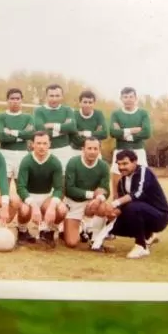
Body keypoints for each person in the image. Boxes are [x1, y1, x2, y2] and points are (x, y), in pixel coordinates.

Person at [92, 149, 168, 259]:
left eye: (125, 163)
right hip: (141, 213)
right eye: (119, 164)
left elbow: (137, 194)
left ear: (135, 162)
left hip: (159, 217)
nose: (121, 167)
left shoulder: (144, 172)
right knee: (115, 227)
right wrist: (112, 213)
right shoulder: (122, 182)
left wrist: (114, 204)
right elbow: (122, 206)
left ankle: (141, 247)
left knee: (133, 207)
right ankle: (148, 235)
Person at [14, 131, 66, 247]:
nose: (41, 147)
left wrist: (52, 207)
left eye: (44, 143)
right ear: (32, 144)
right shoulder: (26, 161)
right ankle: (22, 231)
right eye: (38, 143)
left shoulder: (55, 162)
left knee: (62, 209)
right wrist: (33, 205)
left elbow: (59, 188)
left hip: (46, 196)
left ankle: (48, 231)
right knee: (24, 210)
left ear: (49, 144)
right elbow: (21, 187)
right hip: (29, 196)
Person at [70, 89, 108, 242]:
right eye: (84, 102)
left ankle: (95, 227)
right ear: (80, 103)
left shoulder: (98, 115)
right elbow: (72, 134)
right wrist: (91, 135)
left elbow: (104, 133)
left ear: (94, 103)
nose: (87, 104)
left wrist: (84, 135)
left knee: (98, 185)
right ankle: (71, 222)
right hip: (74, 151)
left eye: (90, 102)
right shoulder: (73, 114)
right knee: (74, 182)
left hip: (90, 148)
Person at [63, 137, 111, 249]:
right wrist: (92, 194)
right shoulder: (73, 162)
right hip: (74, 203)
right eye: (89, 148)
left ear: (99, 150)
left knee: (103, 208)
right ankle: (81, 229)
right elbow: (70, 189)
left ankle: (95, 239)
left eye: (95, 149)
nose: (92, 152)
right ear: (83, 149)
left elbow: (106, 190)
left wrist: (98, 199)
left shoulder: (103, 166)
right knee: (72, 243)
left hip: (92, 203)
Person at [0, 87, 35, 190]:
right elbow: (1, 137)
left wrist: (12, 132)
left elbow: (30, 135)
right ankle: (5, 206)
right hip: (5, 153)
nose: (15, 101)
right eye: (12, 98)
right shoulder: (1, 117)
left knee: (22, 188)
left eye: (18, 98)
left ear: (21, 100)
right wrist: (22, 135)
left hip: (22, 154)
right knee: (4, 189)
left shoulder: (28, 117)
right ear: (7, 100)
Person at [33, 83, 77, 173]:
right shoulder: (39, 111)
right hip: (45, 151)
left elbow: (72, 128)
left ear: (62, 96)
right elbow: (40, 131)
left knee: (63, 180)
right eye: (51, 96)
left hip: (64, 150)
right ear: (46, 96)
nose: (54, 99)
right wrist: (63, 130)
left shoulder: (67, 110)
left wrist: (52, 125)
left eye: (57, 96)